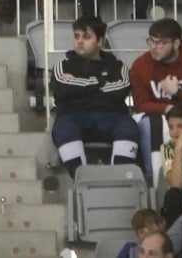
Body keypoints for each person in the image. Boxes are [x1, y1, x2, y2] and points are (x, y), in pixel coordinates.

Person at [50, 15, 137, 175]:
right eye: (77, 37)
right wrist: (101, 82)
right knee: (64, 129)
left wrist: (78, 84)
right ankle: (81, 178)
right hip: (72, 117)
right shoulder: (62, 65)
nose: (80, 41)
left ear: (99, 41)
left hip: (112, 117)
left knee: (129, 127)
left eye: (87, 37)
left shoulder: (117, 66)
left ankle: (120, 178)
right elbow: (62, 88)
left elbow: (121, 89)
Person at [130, 19, 182, 178]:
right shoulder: (141, 65)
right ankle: (155, 177)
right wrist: (167, 108)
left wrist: (178, 93)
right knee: (150, 123)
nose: (155, 48)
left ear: (176, 43)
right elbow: (140, 104)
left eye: (162, 43)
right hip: (158, 117)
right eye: (152, 41)